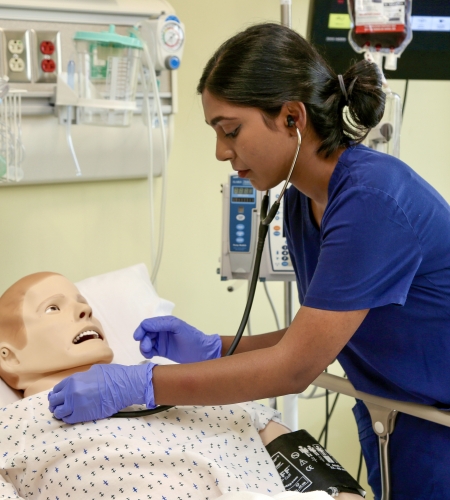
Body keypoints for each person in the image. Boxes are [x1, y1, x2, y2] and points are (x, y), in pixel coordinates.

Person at [48, 23, 450, 500]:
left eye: (231, 131)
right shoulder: (306, 202)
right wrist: (217, 348)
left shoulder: (371, 201)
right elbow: (325, 332)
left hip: (434, 422)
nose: (222, 152)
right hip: (398, 419)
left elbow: (295, 367)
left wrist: (141, 383)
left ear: (291, 118)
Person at [0, 272, 290, 499]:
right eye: (52, 308)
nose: (84, 311)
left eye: (83, 304)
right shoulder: (13, 425)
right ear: (8, 357)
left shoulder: (183, 381)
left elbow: (283, 439)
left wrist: (337, 491)